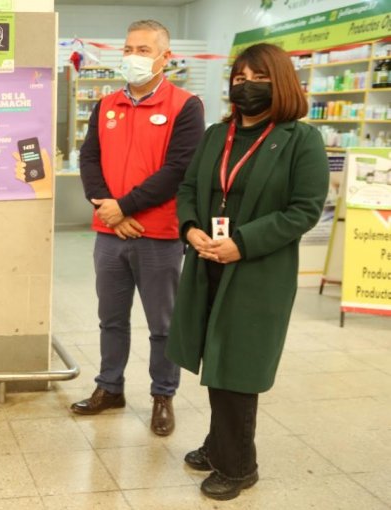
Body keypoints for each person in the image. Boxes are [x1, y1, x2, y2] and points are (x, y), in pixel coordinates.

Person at [167, 43, 328, 501]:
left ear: (280, 82)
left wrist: (244, 243)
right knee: (213, 355)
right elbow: (188, 187)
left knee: (238, 364)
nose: (246, 85)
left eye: (259, 77)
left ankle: (239, 466)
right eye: (239, 77)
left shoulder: (301, 139)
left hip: (257, 269)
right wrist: (191, 228)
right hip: (207, 262)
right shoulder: (218, 135)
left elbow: (303, 210)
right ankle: (220, 441)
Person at [72, 19, 205, 437]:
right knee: (110, 319)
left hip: (158, 235)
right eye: (128, 48)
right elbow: (89, 159)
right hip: (109, 234)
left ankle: (163, 395)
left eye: (144, 50)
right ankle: (109, 387)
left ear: (165, 57)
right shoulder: (107, 104)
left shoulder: (185, 105)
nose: (132, 56)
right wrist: (108, 208)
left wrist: (125, 208)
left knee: (162, 324)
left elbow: (178, 169)